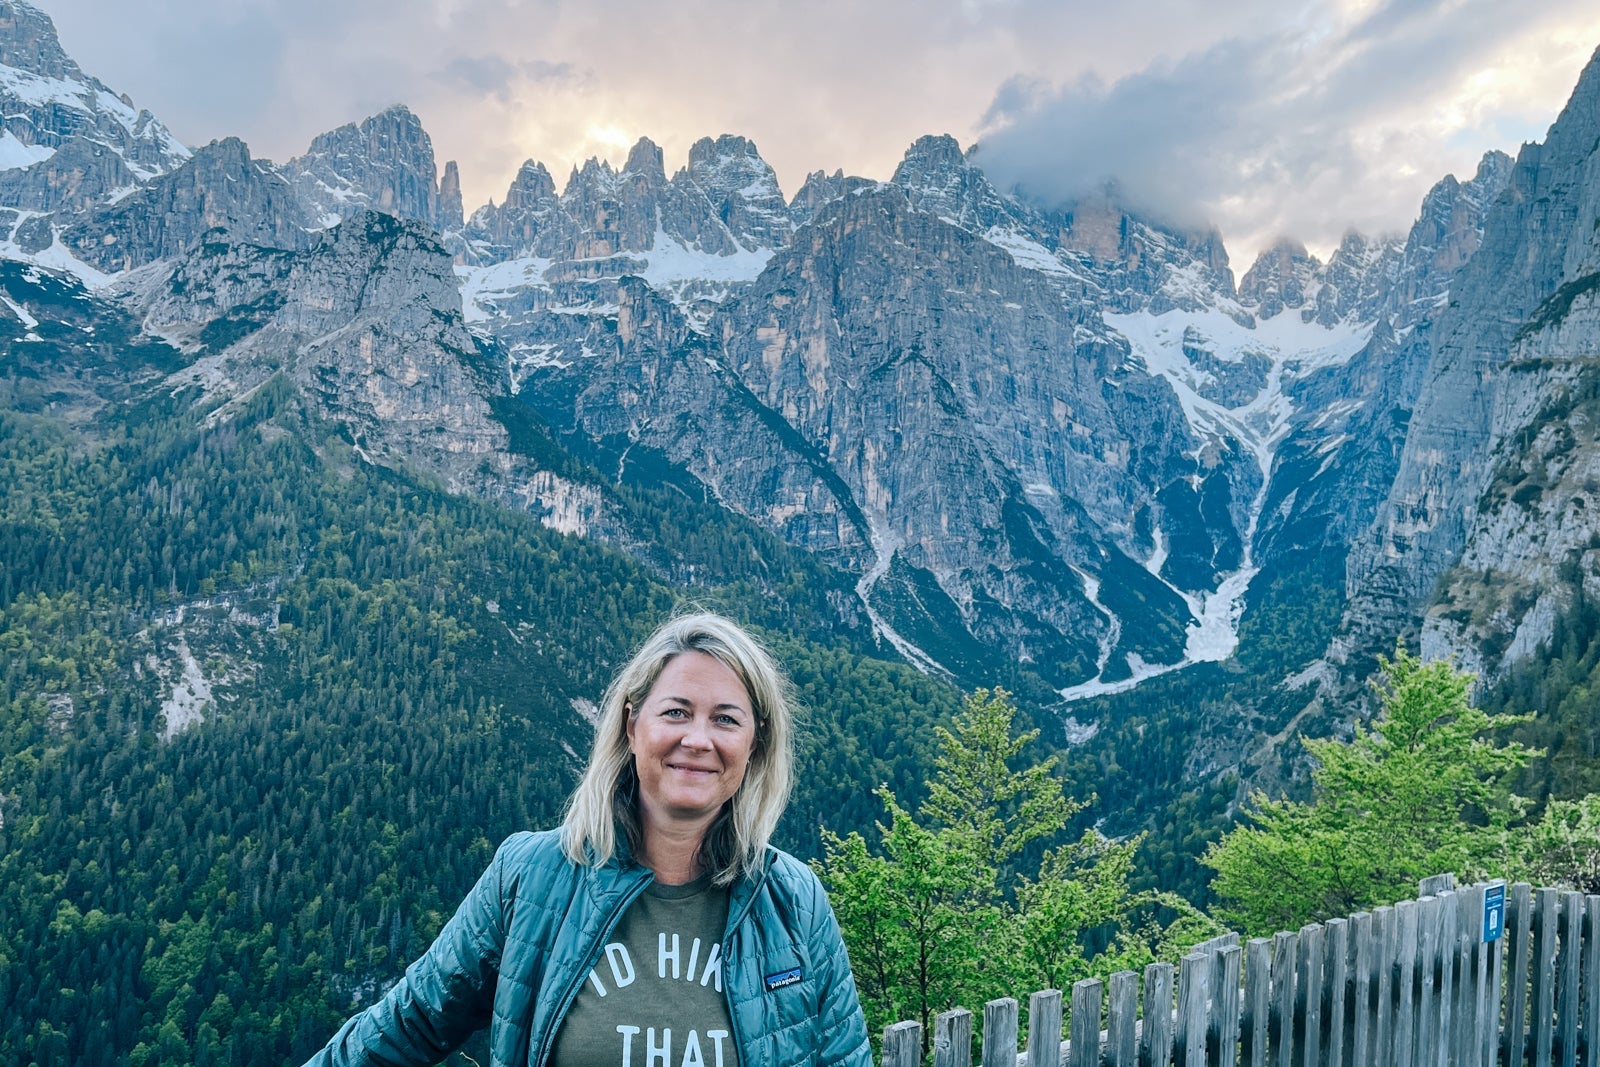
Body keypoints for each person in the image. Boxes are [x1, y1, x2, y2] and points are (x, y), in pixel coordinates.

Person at [302, 612, 872, 1067]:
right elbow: (409, 1026)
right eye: (676, 712)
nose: (698, 740)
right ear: (632, 725)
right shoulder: (531, 878)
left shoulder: (793, 901)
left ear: (754, 745)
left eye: (726, 719)